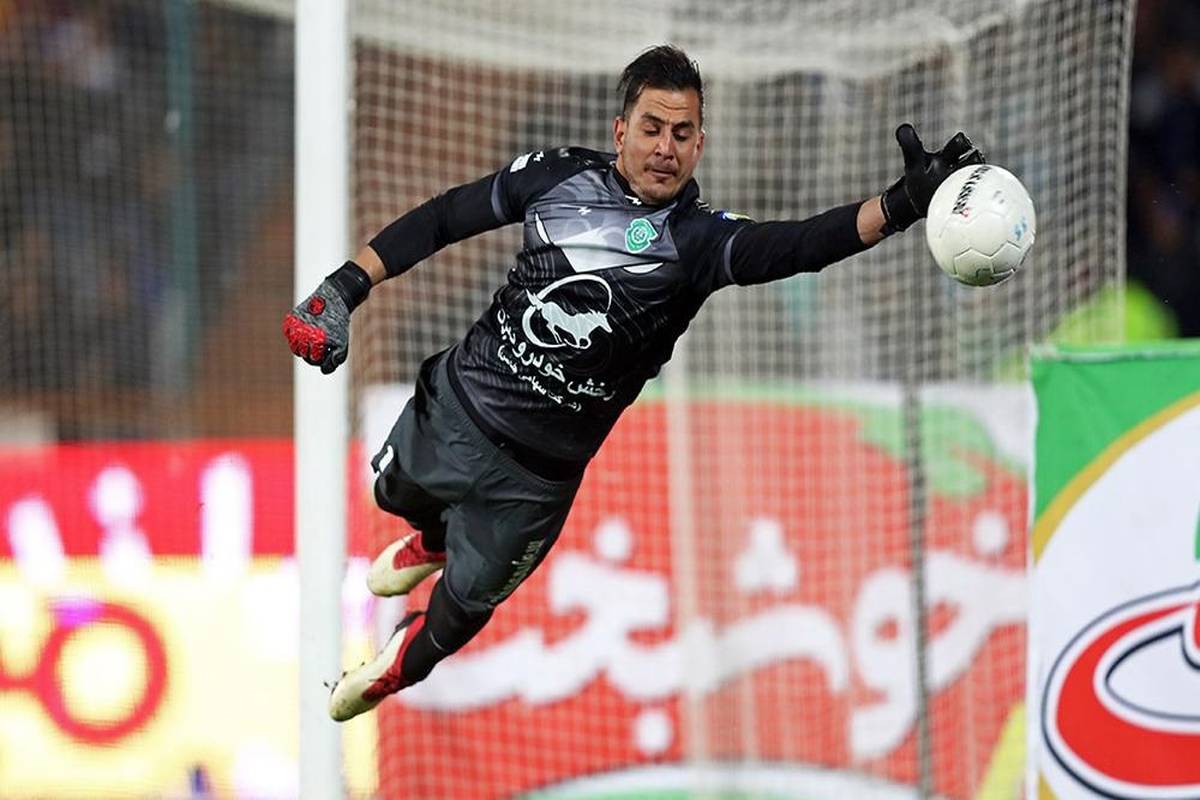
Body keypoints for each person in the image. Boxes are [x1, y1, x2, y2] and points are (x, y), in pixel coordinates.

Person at [283, 44, 983, 722]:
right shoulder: (557, 178)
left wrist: (900, 205)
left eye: (681, 134)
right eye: (651, 128)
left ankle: (389, 673)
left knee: (451, 625)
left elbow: (800, 245)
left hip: (536, 482)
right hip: (457, 410)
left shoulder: (700, 241)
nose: (664, 148)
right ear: (621, 131)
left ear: (700, 145)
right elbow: (444, 218)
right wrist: (345, 287)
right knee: (392, 494)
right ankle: (435, 539)